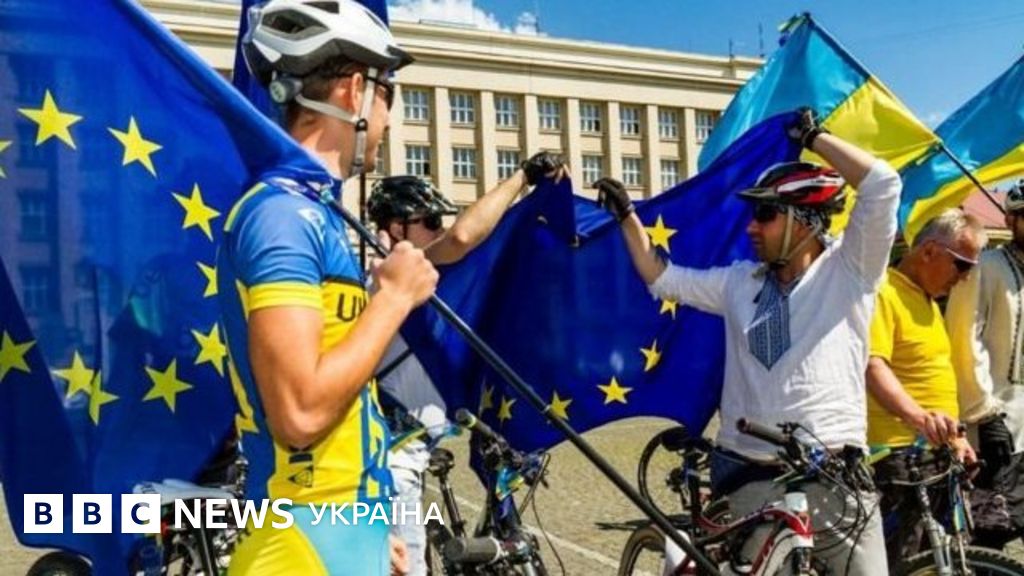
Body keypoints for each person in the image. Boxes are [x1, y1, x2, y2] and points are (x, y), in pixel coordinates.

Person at [596, 109, 899, 574]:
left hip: (833, 472)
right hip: (746, 471)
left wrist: (815, 137)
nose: (751, 227)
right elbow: (664, 279)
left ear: (804, 221)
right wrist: (627, 218)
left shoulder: (850, 270)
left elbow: (882, 185)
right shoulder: (740, 282)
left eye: (765, 214)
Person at [219, 1, 439, 574]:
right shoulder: (280, 216)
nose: (388, 118)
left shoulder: (314, 213)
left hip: (334, 534)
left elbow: (345, 391)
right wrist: (393, 299)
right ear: (354, 91)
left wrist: (363, 527)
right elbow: (299, 413)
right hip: (300, 546)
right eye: (388, 93)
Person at [367, 154, 565, 576]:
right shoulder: (387, 280)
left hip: (414, 454)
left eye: (439, 221)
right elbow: (461, 238)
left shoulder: (414, 280)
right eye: (429, 222)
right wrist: (523, 176)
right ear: (396, 229)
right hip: (394, 467)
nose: (439, 229)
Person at [865, 208, 986, 565]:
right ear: (930, 251)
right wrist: (919, 418)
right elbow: (873, 366)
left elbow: (930, 377)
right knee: (903, 561)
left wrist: (956, 436)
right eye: (962, 265)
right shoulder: (884, 292)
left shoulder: (927, 301)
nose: (965, 277)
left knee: (943, 558)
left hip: (934, 452)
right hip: (898, 455)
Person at [946, 180, 1024, 549]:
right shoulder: (985, 267)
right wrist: (984, 414)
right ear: (1010, 220)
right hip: (998, 427)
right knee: (992, 533)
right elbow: (962, 338)